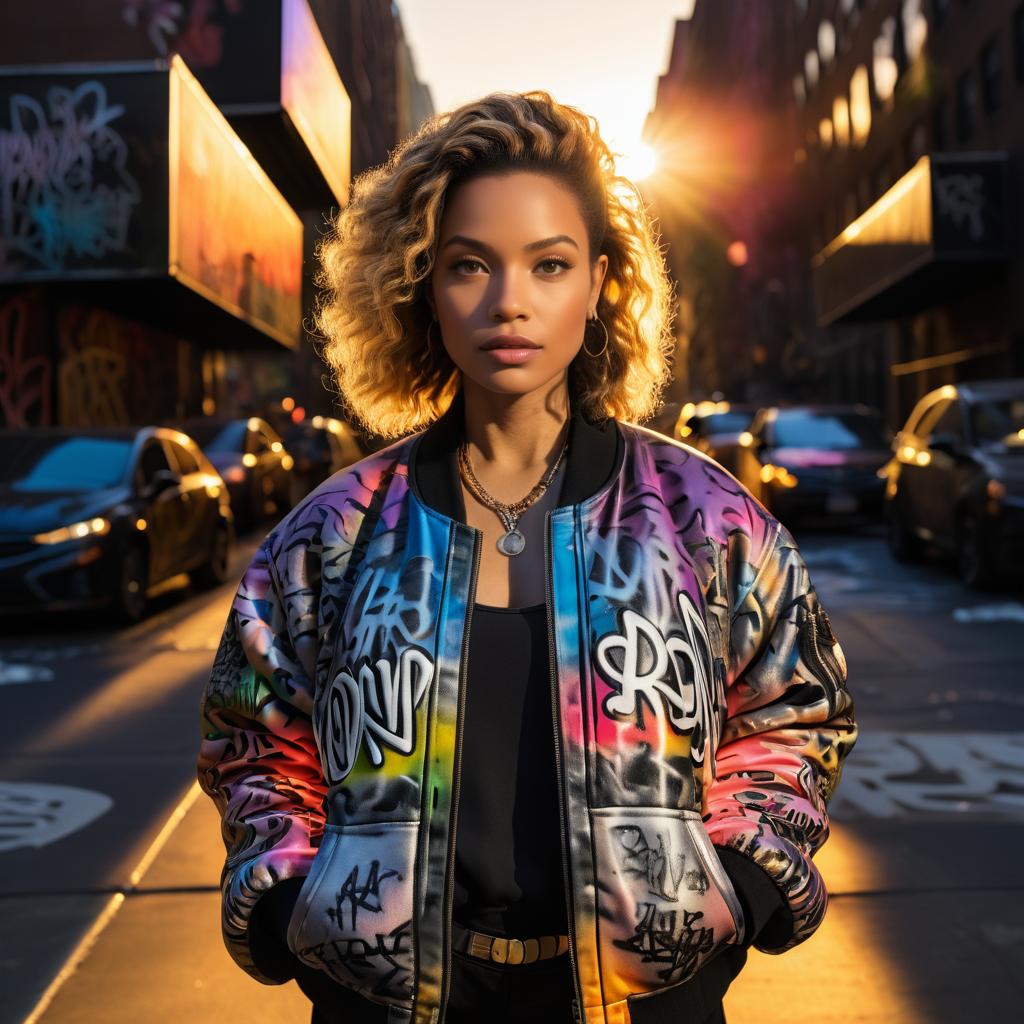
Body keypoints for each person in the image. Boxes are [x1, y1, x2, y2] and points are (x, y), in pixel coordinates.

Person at [197, 92, 857, 1024]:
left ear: (599, 285)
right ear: (421, 286)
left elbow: (796, 710)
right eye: (470, 265)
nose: (510, 301)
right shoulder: (332, 534)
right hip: (388, 1006)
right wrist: (287, 901)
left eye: (549, 265)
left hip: (644, 1003)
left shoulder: (703, 516)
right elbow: (254, 740)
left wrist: (738, 884)